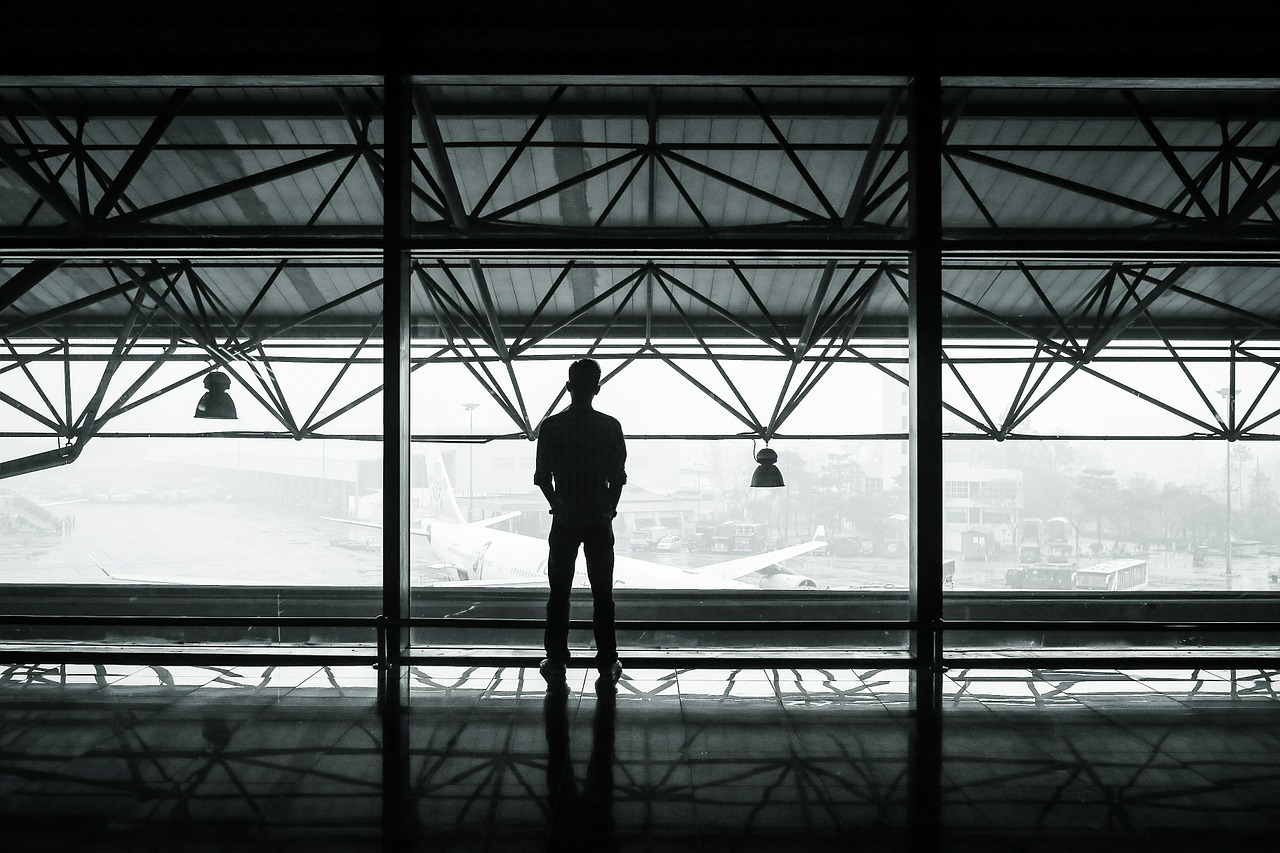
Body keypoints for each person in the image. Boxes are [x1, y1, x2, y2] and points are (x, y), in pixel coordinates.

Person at [534, 359, 627, 687]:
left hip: (565, 518)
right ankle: (606, 659)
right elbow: (617, 478)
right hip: (598, 518)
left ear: (569, 387)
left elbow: (543, 478)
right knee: (603, 593)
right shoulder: (609, 427)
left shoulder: (552, 427)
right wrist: (609, 509)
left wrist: (557, 505)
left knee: (559, 592)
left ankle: (556, 659)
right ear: (596, 388)